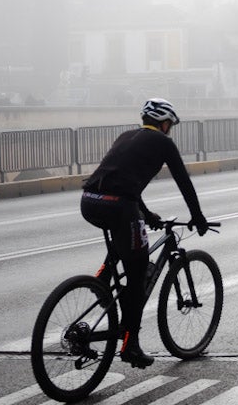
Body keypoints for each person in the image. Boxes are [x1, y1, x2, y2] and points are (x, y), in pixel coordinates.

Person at [80, 98, 209, 368]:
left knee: (128, 232)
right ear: (164, 123)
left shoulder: (126, 136)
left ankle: (104, 276)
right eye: (170, 125)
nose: (170, 130)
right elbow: (184, 182)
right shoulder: (164, 143)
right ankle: (130, 346)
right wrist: (197, 217)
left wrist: (147, 214)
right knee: (138, 275)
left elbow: (122, 182)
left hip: (90, 200)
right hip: (118, 206)